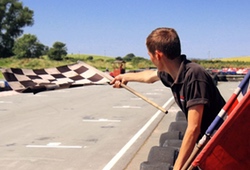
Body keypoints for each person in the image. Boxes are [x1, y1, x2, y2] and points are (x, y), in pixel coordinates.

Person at [110, 27, 225, 170]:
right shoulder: (172, 73)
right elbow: (149, 77)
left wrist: (177, 168)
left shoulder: (194, 76)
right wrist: (124, 77)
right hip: (208, 145)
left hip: (224, 148)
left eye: (149, 55)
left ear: (158, 55)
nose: (150, 58)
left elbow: (193, 129)